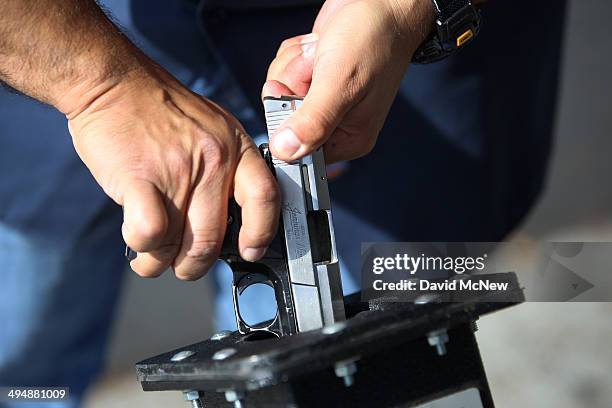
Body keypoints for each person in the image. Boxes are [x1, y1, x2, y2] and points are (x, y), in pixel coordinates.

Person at [0, 0, 566, 406]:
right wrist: (99, 87)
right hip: (51, 48)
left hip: (388, 77)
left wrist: (404, 6)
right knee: (22, 362)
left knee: (367, 367)